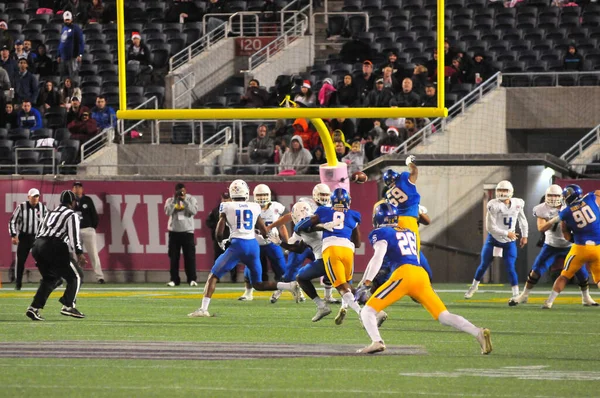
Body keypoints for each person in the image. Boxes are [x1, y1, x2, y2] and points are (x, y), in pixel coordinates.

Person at [356, 202, 492, 354]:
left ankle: (377, 341)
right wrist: (364, 281)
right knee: (444, 316)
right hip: (420, 274)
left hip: (403, 274)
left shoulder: (380, 233)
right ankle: (478, 332)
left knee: (367, 311)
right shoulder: (409, 232)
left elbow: (377, 257)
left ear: (378, 218)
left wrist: (367, 282)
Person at [188, 179, 300, 317]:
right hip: (253, 246)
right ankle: (289, 286)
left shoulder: (226, 206)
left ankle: (203, 309)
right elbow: (264, 231)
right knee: (258, 284)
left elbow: (219, 230)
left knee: (213, 276)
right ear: (247, 192)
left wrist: (220, 241)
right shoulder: (254, 206)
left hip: (237, 245)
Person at [509, 185, 598, 307]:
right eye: (550, 195)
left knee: (581, 273)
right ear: (545, 196)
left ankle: (586, 297)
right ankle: (524, 295)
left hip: (569, 245)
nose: (553, 198)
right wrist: (554, 219)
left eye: (556, 195)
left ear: (562, 196)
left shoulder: (569, 207)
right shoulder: (542, 209)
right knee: (536, 271)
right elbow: (541, 228)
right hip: (551, 245)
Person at [295, 188, 362, 324]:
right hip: (348, 250)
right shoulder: (354, 214)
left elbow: (300, 226)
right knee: (346, 285)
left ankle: (363, 313)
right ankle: (353, 306)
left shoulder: (323, 211)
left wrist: (320, 226)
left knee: (340, 286)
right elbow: (358, 243)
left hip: (330, 252)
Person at [25, 190, 87, 321]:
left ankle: (34, 308)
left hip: (37, 245)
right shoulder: (71, 214)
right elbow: (73, 236)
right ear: (72, 202)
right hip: (53, 245)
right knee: (76, 276)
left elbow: (40, 231)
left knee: (51, 279)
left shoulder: (50, 213)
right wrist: (79, 252)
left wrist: (40, 252)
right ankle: (68, 306)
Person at [465, 180, 529, 300]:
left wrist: (525, 235)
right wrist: (507, 233)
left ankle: (516, 294)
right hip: (494, 239)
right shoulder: (493, 204)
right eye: (500, 190)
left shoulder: (518, 203)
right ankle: (473, 287)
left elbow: (523, 220)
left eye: (504, 190)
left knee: (510, 266)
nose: (502, 193)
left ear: (511, 192)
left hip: (509, 241)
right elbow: (490, 227)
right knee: (484, 265)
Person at [542, 184, 600, 309]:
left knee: (564, 275)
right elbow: (597, 193)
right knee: (599, 279)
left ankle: (549, 302)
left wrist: (573, 238)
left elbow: (565, 233)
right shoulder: (590, 198)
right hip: (597, 248)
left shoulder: (565, 213)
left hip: (580, 248)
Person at [239, 184, 290, 302]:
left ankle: (292, 290)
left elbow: (281, 226)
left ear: (269, 196)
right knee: (249, 268)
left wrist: (287, 243)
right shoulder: (250, 207)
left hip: (272, 242)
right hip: (255, 244)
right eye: (259, 195)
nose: (262, 198)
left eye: (264, 195)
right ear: (254, 196)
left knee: (282, 268)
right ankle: (248, 292)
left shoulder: (276, 207)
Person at [9, 188, 49, 290]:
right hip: (24, 236)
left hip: (37, 237)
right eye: (34, 196)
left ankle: (48, 279)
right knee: (21, 261)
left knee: (42, 259)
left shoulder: (43, 207)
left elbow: (49, 222)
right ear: (28, 197)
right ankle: (18, 284)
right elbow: (12, 221)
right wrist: (14, 235)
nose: (36, 198)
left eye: (37, 196)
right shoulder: (21, 207)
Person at [382, 156, 422, 255]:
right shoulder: (404, 178)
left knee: (401, 252)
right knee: (414, 252)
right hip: (410, 220)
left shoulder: (387, 194)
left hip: (396, 222)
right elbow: (414, 172)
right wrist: (409, 163)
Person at [164, 183, 199, 287]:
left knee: (190, 257)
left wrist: (184, 201)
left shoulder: (191, 199)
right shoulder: (170, 200)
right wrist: (175, 200)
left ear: (186, 190)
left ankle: (192, 279)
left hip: (187, 232)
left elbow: (193, 211)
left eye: (183, 191)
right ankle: (174, 280)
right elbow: (167, 212)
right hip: (174, 232)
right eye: (179, 191)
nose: (181, 193)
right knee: (174, 257)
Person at [71, 182, 104, 283]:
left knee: (93, 253)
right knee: (76, 254)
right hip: (75, 231)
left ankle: (99, 277)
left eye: (79, 187)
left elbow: (94, 215)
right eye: (75, 187)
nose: (77, 189)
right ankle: (77, 276)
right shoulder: (71, 201)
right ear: (72, 189)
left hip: (87, 229)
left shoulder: (87, 200)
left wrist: (92, 226)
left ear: (82, 189)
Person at [206, 192, 237, 282]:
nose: (226, 200)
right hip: (219, 238)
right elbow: (208, 222)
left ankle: (233, 277)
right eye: (224, 198)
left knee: (232, 258)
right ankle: (216, 277)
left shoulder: (235, 210)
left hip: (231, 237)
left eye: (227, 199)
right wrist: (217, 227)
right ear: (221, 199)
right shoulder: (216, 210)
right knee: (218, 258)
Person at [57, 11, 85, 78]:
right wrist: (58, 55)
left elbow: (80, 42)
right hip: (63, 57)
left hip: (72, 57)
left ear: (71, 19)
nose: (67, 21)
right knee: (63, 76)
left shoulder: (76, 28)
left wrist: (80, 54)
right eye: (66, 19)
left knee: (73, 76)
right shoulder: (63, 29)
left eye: (68, 19)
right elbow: (61, 42)